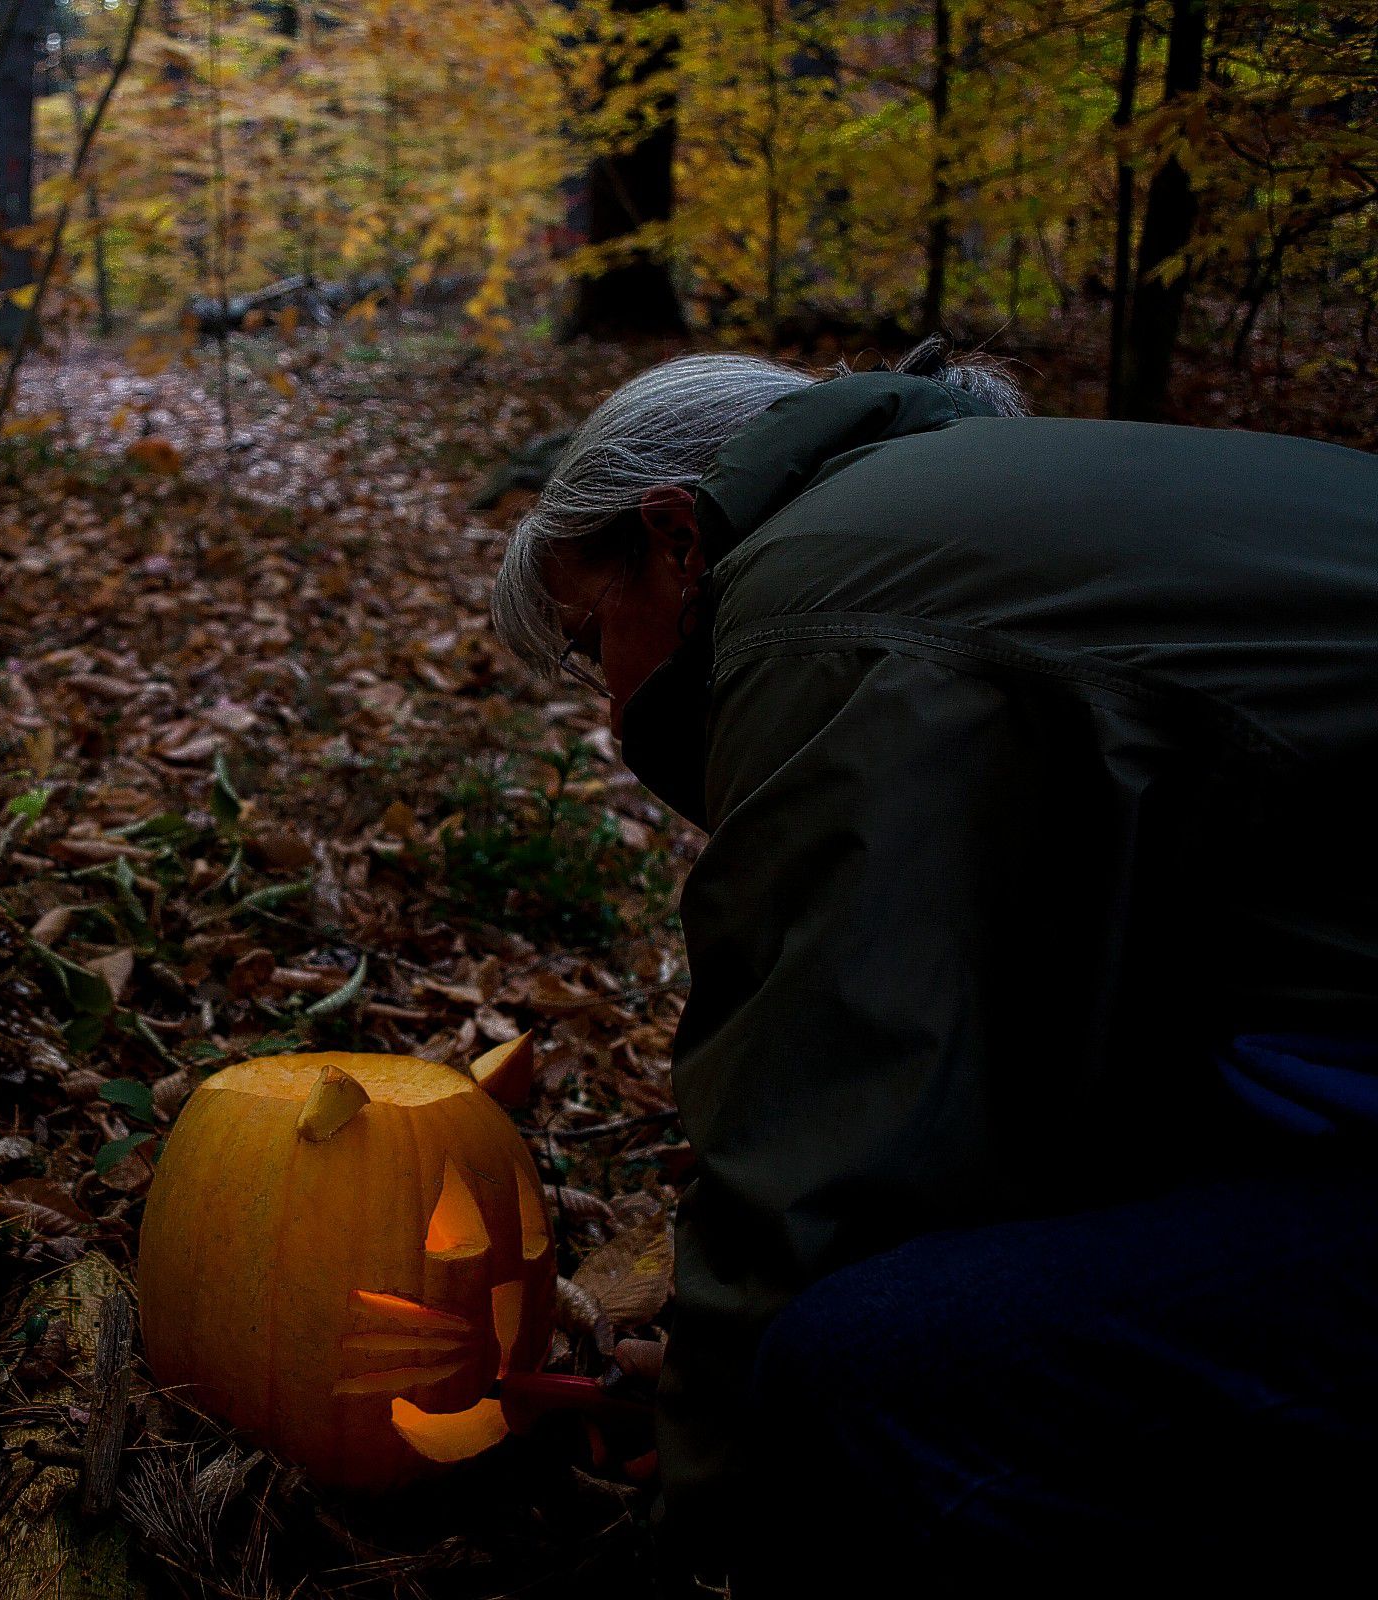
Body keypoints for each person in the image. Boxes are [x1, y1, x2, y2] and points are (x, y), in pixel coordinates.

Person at [489, 342, 1378, 1593]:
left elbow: (825, 1131)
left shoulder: (814, 612)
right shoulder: (983, 505)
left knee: (860, 1373)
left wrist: (714, 1485)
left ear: (678, 535)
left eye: (594, 640)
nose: (613, 707)